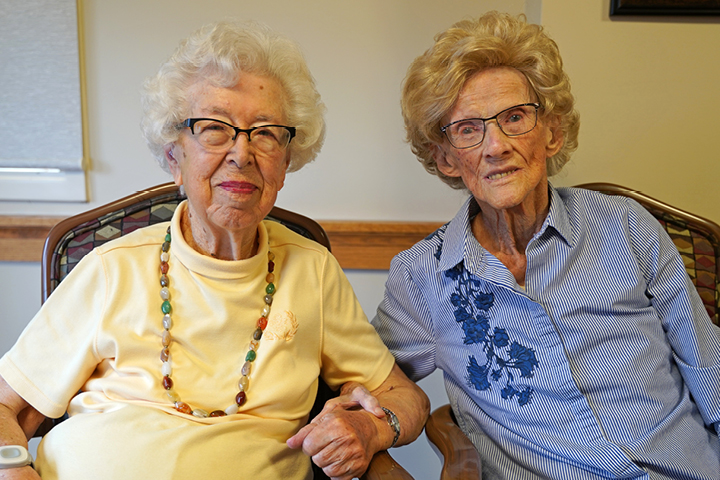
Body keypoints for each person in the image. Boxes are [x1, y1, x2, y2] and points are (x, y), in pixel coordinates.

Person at [0, 21, 429, 480]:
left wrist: (371, 427)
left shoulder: (312, 272)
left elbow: (405, 396)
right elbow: (8, 406)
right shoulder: (110, 269)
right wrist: (14, 469)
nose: (242, 154)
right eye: (213, 128)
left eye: (265, 133)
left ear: (286, 163)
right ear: (174, 157)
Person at [372, 11, 720, 479]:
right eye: (469, 129)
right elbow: (366, 382)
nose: (495, 146)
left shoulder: (627, 227)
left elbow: (709, 371)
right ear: (446, 157)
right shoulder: (421, 278)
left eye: (515, 117)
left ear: (552, 133)